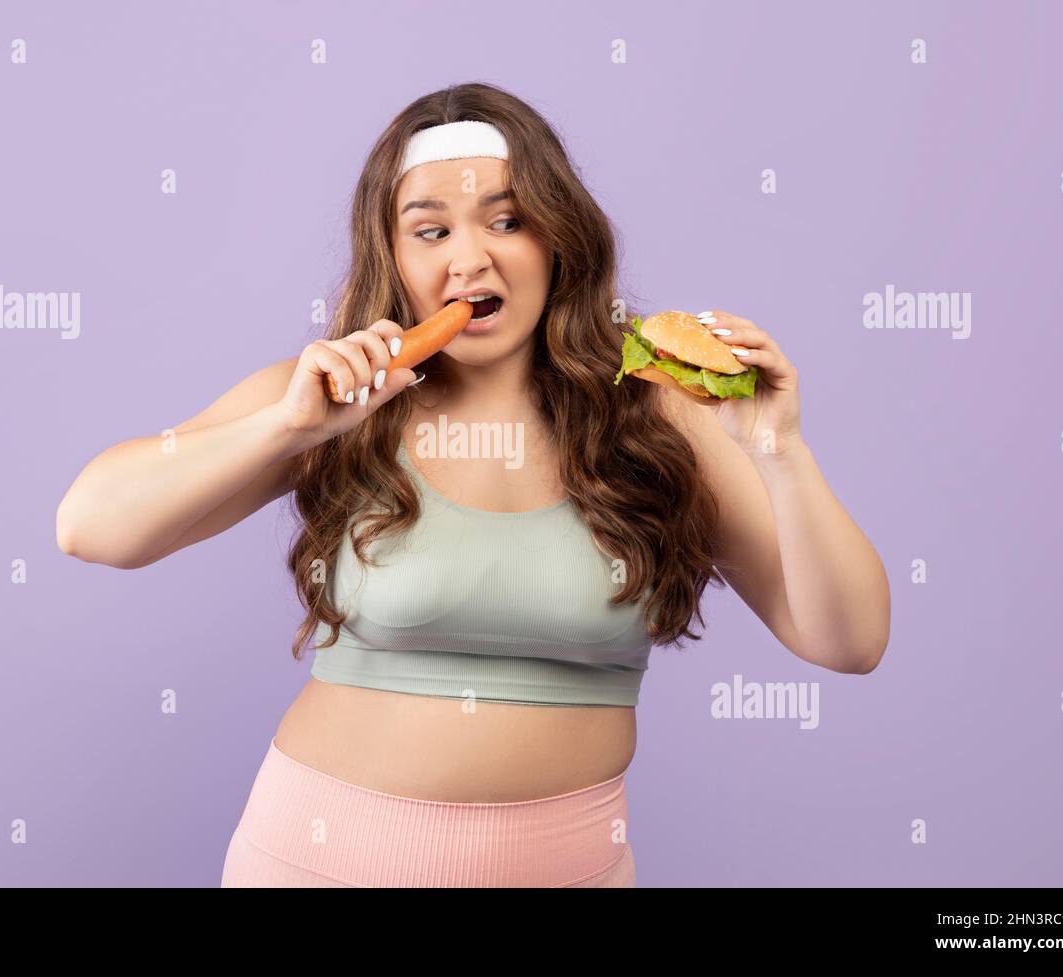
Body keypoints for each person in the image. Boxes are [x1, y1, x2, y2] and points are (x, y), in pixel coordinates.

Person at [55, 82, 890, 888]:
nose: (470, 257)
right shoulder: (334, 399)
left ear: (558, 238)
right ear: (392, 254)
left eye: (508, 219)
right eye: (431, 230)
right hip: (321, 864)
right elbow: (90, 526)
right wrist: (287, 428)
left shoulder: (658, 412)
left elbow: (849, 642)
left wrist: (780, 449)